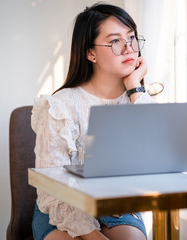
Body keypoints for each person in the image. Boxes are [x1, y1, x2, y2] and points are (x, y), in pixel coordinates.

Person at [31, 3, 156, 240]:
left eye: (132, 38)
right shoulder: (60, 106)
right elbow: (51, 189)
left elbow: (159, 154)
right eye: (115, 41)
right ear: (91, 53)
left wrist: (135, 86)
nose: (129, 48)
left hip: (116, 208)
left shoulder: (137, 98)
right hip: (61, 207)